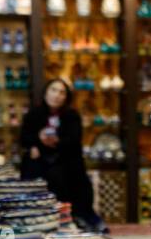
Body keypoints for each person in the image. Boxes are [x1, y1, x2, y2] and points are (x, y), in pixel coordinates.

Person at [20, 78, 103, 230]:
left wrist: (56, 141)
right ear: (46, 93)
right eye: (53, 90)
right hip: (41, 158)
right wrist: (36, 142)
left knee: (70, 170)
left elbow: (73, 141)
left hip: (64, 157)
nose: (57, 95)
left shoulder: (72, 116)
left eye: (61, 92)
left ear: (66, 97)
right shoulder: (34, 114)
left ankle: (77, 216)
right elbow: (24, 138)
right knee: (34, 165)